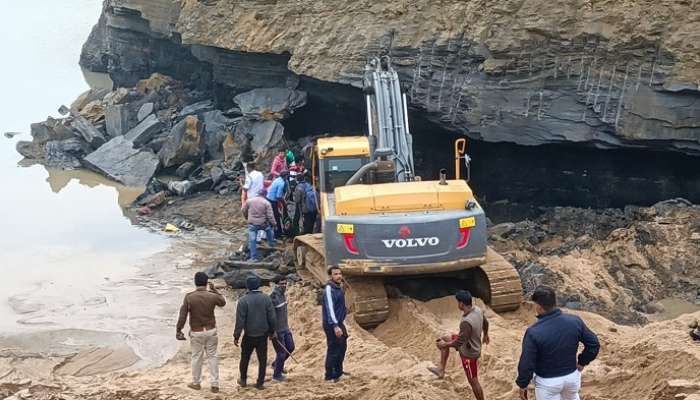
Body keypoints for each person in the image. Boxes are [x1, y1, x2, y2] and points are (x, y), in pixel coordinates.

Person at [516, 286, 600, 400]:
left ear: (539, 307)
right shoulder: (575, 321)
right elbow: (593, 344)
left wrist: (523, 384)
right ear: (554, 302)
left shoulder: (533, 332)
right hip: (572, 378)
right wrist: (582, 362)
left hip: (547, 383)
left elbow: (527, 363)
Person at [428, 290, 489, 400]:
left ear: (461, 304)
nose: (457, 304)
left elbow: (458, 342)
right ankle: (441, 369)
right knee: (445, 337)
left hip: (469, 354)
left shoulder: (466, 322)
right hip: (469, 342)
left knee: (473, 381)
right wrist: (486, 334)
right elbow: (486, 322)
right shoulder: (478, 310)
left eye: (458, 302)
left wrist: (444, 345)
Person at [175, 272, 226, 394]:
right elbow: (223, 302)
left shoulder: (189, 297)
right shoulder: (212, 296)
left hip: (196, 332)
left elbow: (182, 316)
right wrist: (214, 290)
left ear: (195, 282)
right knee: (212, 356)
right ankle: (214, 384)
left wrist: (178, 330)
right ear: (206, 282)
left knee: (197, 357)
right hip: (211, 330)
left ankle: (196, 383)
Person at [234, 275, 277, 390]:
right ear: (259, 285)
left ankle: (243, 380)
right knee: (262, 359)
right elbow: (272, 317)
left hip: (249, 335)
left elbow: (240, 321)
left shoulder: (243, 301)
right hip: (262, 335)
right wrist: (272, 331)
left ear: (247, 287)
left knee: (245, 358)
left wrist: (236, 336)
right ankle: (260, 383)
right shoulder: (266, 298)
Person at [322, 266, 348, 382]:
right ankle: (329, 376)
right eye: (336, 274)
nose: (339, 276)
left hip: (339, 322)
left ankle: (338, 372)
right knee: (333, 349)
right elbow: (329, 308)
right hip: (331, 323)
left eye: (340, 274)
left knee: (342, 347)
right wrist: (335, 326)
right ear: (330, 276)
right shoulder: (329, 289)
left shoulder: (338, 287)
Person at [270, 278, 295, 382]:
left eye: (285, 283)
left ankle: (276, 364)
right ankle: (276, 376)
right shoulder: (273, 297)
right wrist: (272, 331)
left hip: (285, 328)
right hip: (277, 331)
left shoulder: (282, 294)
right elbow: (269, 316)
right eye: (282, 284)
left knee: (291, 347)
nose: (284, 285)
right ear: (276, 285)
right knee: (281, 353)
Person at [241, 190, 276, 261]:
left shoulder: (249, 201)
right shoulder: (267, 203)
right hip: (263, 224)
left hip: (252, 224)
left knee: (252, 240)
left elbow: (243, 210)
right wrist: (274, 224)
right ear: (265, 195)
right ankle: (271, 249)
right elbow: (270, 216)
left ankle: (253, 258)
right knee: (270, 232)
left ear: (258, 194)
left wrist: (247, 217)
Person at [266, 170, 289, 238]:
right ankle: (278, 234)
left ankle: (273, 231)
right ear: (285, 176)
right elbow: (278, 196)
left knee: (273, 216)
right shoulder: (281, 183)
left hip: (268, 198)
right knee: (276, 217)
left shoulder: (277, 179)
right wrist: (284, 203)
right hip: (272, 201)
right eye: (287, 176)